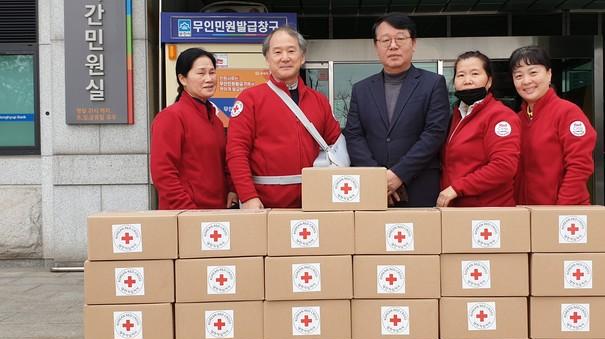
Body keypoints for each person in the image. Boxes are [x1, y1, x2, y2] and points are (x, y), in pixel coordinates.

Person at [226, 26, 341, 209]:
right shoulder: (250, 99)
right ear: (267, 59)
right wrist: (248, 196)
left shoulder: (319, 100)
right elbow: (236, 151)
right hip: (265, 204)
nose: (285, 57)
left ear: (302, 57)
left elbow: (337, 147)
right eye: (277, 52)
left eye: (291, 51)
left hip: (313, 202)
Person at [344, 14, 450, 207]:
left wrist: (398, 174)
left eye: (400, 38)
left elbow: (434, 133)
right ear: (376, 46)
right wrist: (378, 178)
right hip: (372, 189)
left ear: (413, 43)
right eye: (385, 40)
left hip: (420, 185)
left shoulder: (433, 83)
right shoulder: (361, 89)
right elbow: (354, 136)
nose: (393, 46)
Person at [150, 48, 236, 210]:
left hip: (216, 213)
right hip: (186, 213)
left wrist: (232, 189)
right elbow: (163, 173)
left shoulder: (216, 121)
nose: (209, 79)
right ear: (182, 79)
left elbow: (224, 162)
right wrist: (188, 211)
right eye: (201, 73)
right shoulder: (170, 117)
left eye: (212, 72)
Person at [510, 46, 597, 205]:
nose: (526, 81)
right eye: (519, 75)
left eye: (533, 72)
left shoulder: (567, 113)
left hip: (563, 211)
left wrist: (560, 210)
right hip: (525, 211)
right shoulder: (516, 120)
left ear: (549, 74)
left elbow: (580, 166)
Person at [437, 51, 521, 207]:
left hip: (487, 212)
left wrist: (457, 188)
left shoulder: (500, 116)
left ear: (489, 81)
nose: (467, 81)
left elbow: (504, 166)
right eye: (461, 75)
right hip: (457, 209)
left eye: (475, 74)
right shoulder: (456, 116)